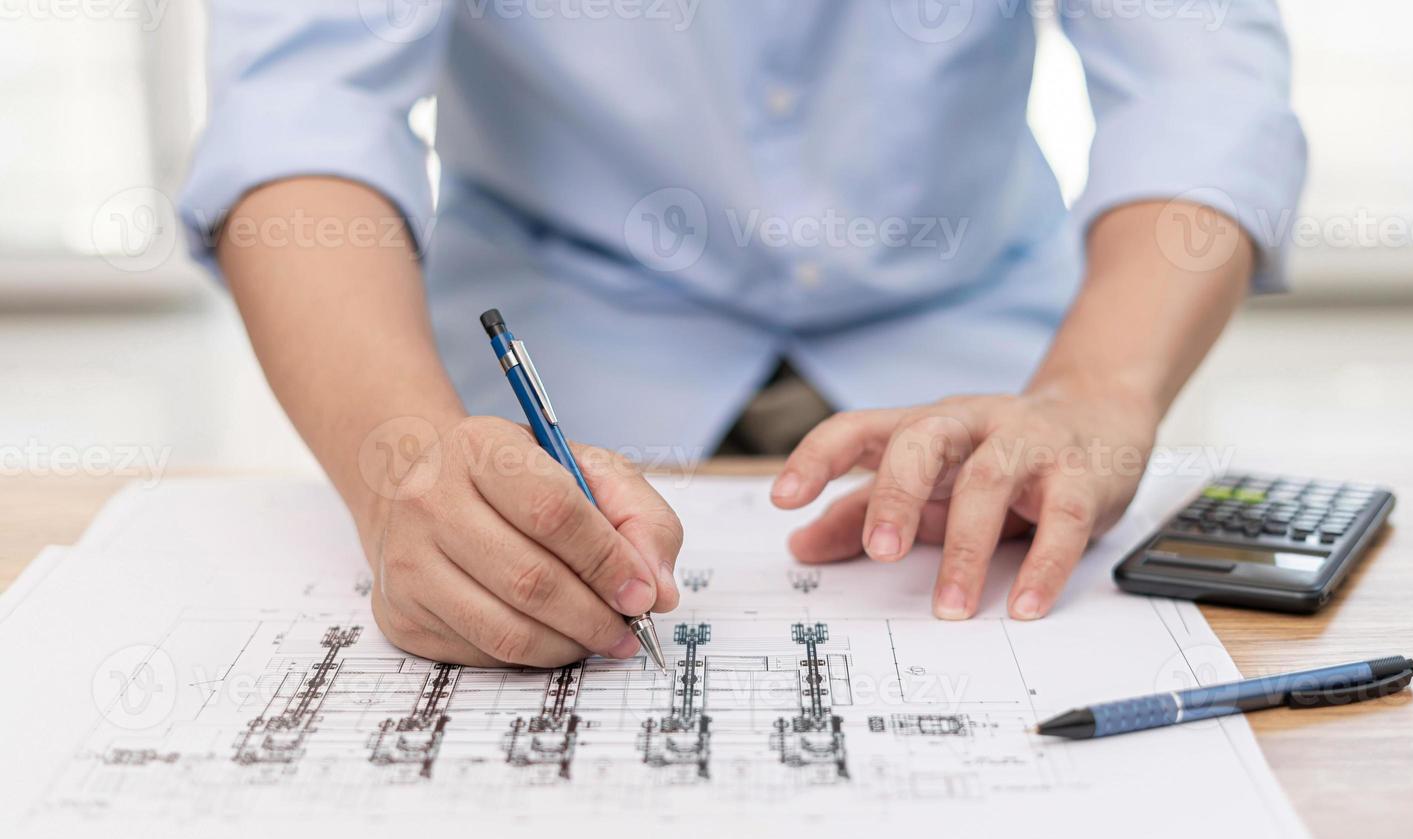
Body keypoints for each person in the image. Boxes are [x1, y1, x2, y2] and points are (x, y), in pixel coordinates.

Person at [180, 1, 1305, 669]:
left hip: (984, 376)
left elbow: (1201, 85)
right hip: (553, 376)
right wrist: (402, 460)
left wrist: (1096, 389)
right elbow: (300, 108)